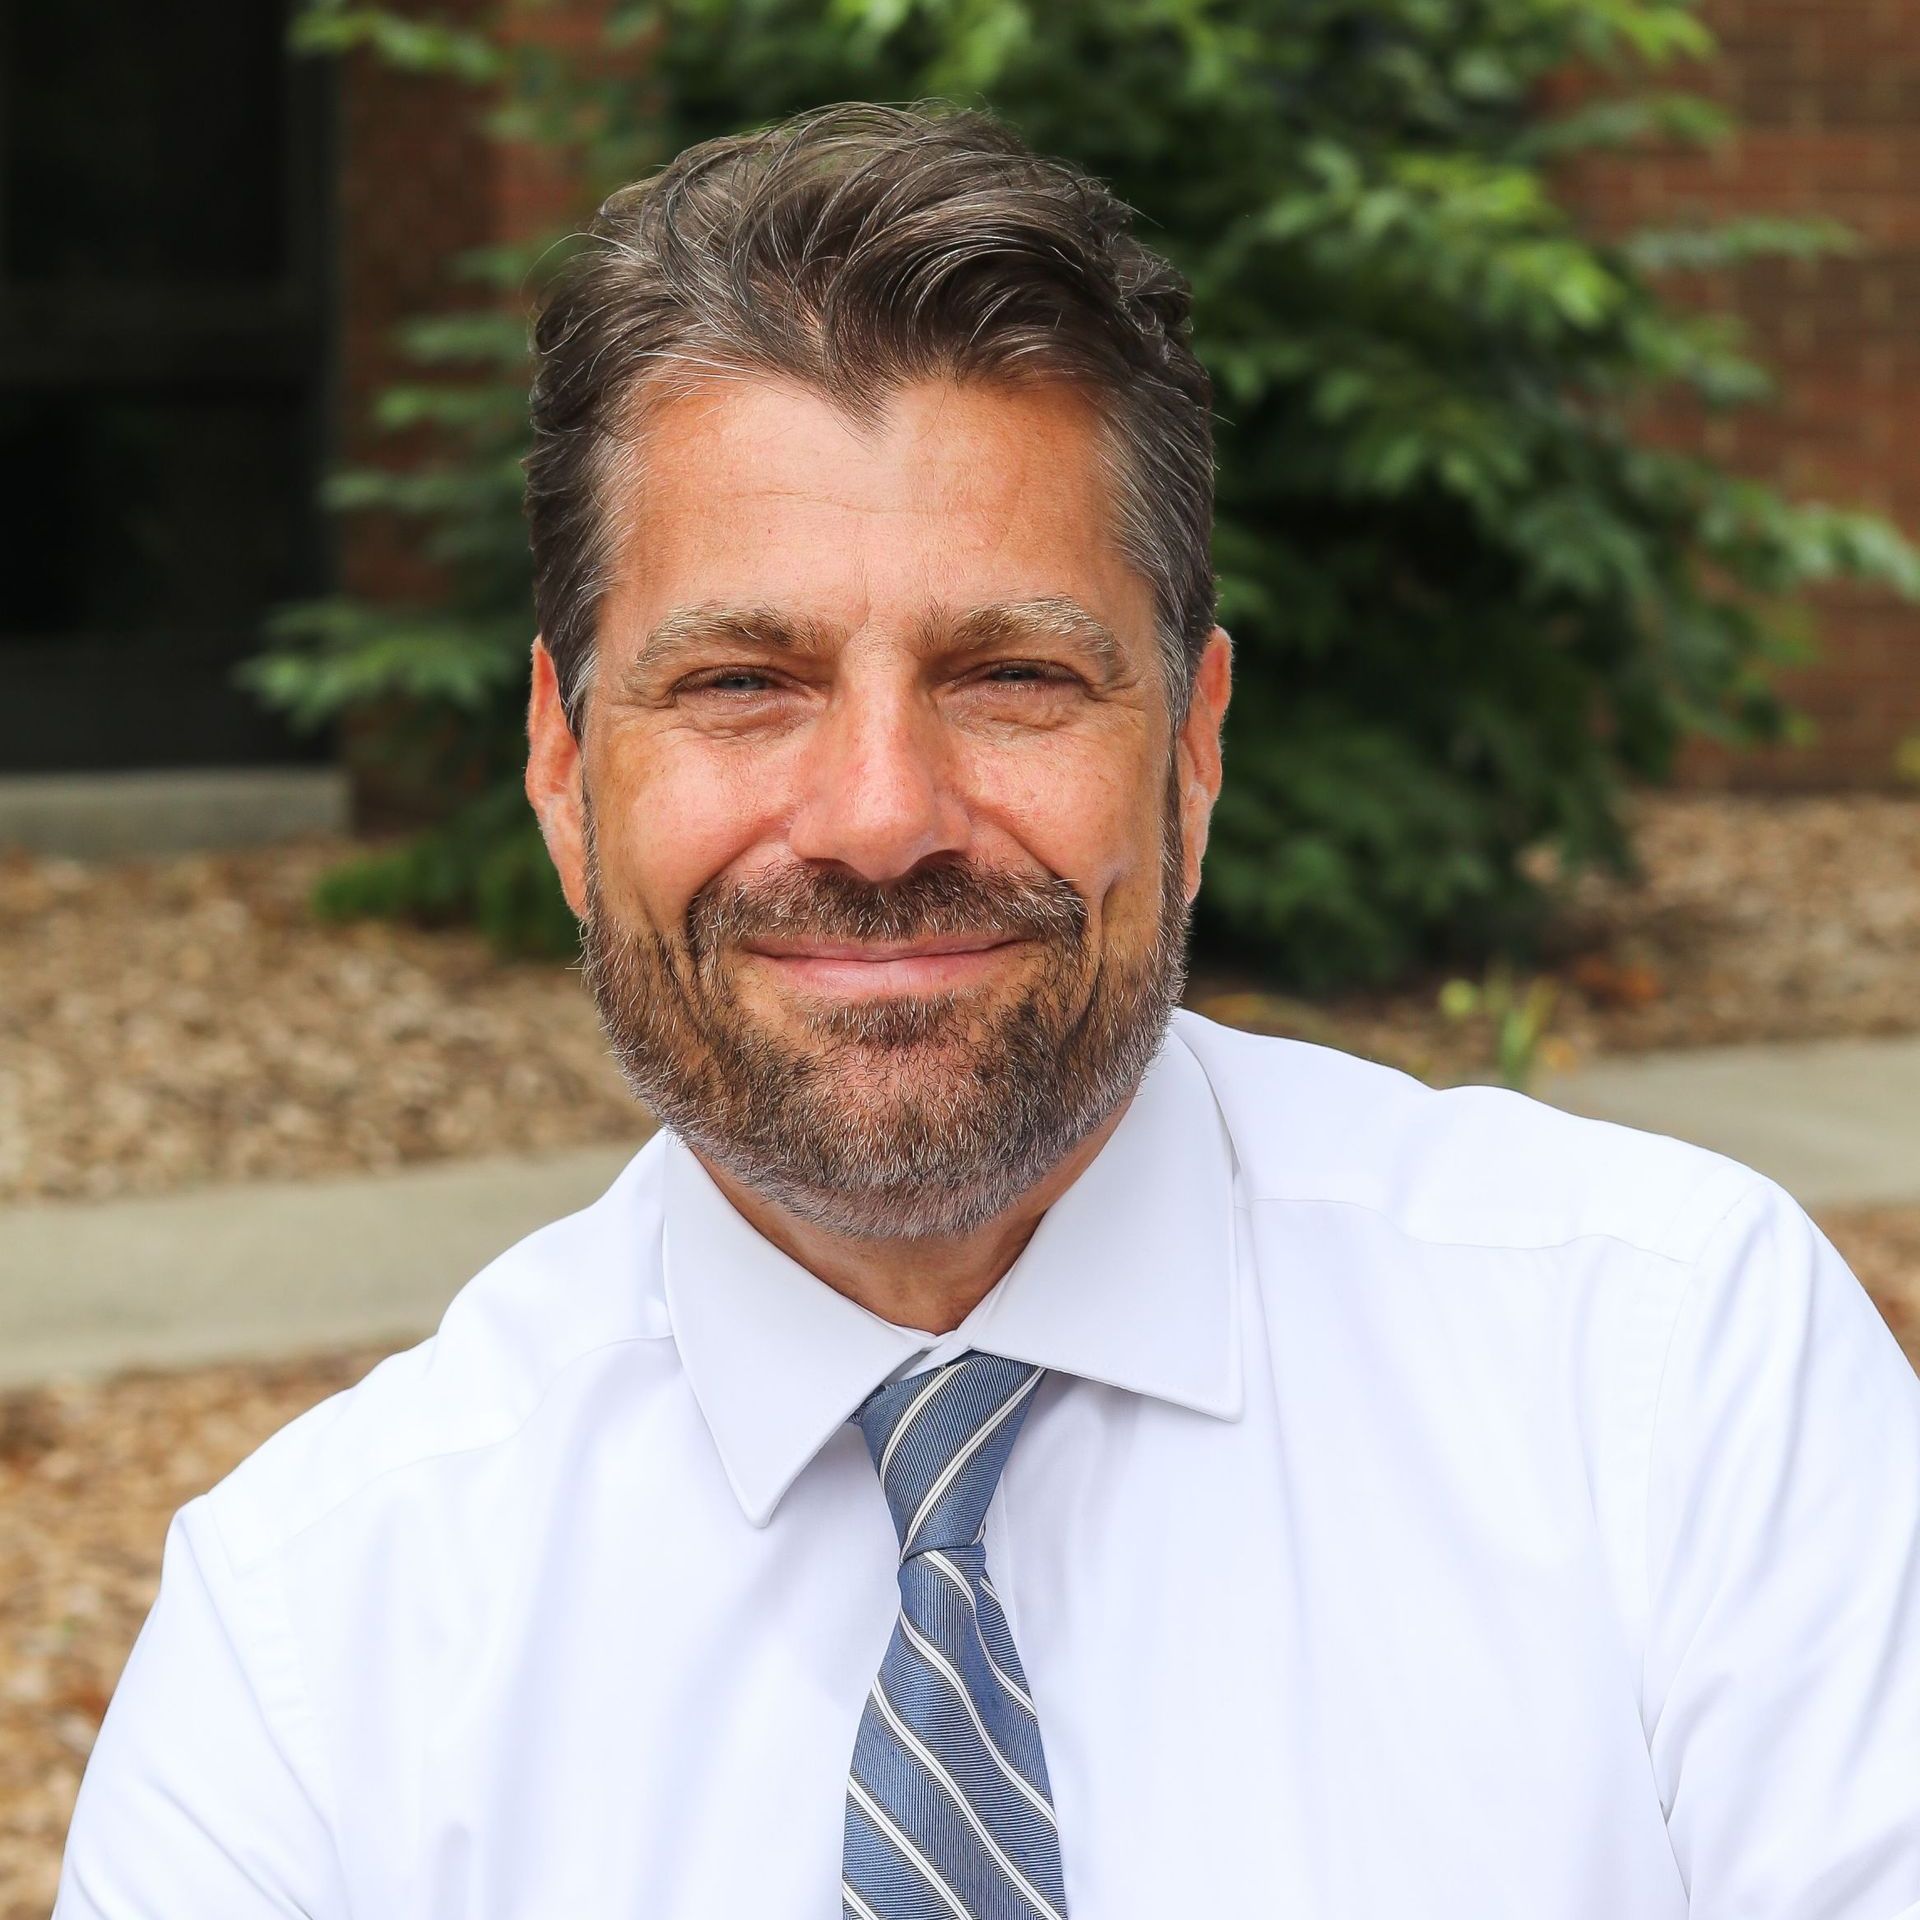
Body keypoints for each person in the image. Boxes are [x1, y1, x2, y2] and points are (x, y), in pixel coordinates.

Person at [55, 102, 1920, 1920]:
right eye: (741, 683)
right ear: (562, 771)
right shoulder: (313, 1649)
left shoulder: (1673, 1385)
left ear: (1190, 747)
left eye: (1014, 673)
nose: (880, 816)